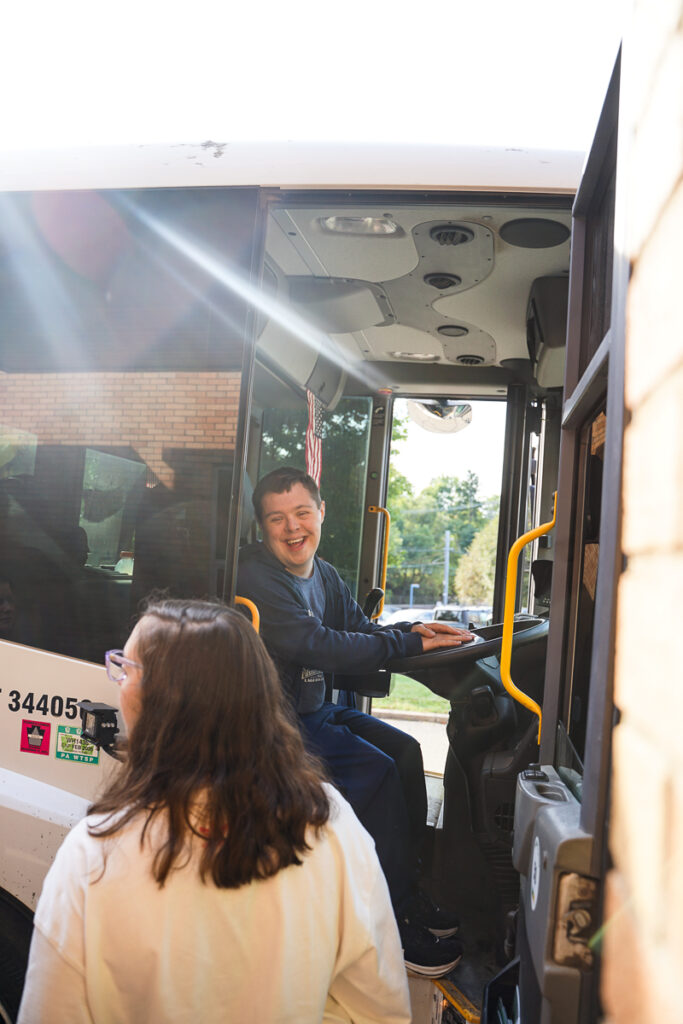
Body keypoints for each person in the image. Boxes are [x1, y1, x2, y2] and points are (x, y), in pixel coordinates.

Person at [18, 599, 411, 1024]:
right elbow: (380, 1012)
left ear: (162, 702)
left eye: (125, 668)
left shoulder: (94, 852)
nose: (116, 681)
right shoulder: (331, 823)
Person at [237, 466, 473, 977]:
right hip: (274, 723)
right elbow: (314, 643)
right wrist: (406, 643)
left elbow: (358, 630)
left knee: (406, 751)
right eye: (277, 519)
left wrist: (416, 631)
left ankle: (407, 891)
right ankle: (386, 918)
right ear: (262, 528)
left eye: (302, 513)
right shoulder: (255, 575)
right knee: (378, 770)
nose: (292, 528)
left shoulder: (323, 574)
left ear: (321, 513)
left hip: (313, 708)